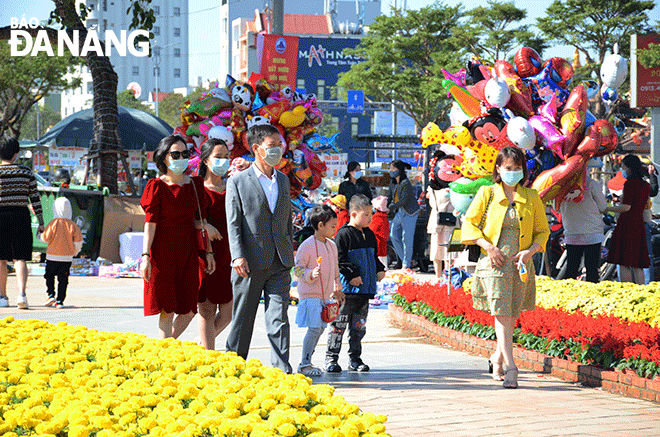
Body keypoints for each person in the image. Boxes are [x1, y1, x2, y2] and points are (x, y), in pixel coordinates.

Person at [461, 146, 549, 389]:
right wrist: (489, 248)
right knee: (502, 313)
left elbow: (543, 231)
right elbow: (469, 225)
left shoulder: (531, 197)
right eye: (508, 168)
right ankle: (512, 366)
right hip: (494, 264)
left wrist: (531, 251)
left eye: (517, 168)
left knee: (511, 314)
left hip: (521, 265)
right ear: (498, 169)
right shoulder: (486, 193)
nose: (513, 172)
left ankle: (496, 358)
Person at [225, 124, 294, 373]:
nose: (278, 149)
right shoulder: (238, 182)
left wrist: (289, 248)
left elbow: (286, 220)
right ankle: (233, 366)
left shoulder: (283, 180)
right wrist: (237, 256)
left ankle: (281, 370)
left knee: (278, 318)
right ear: (256, 148)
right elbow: (233, 223)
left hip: (280, 261)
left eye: (280, 145)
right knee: (243, 319)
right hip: (249, 262)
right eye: (272, 145)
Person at [140, 135, 216, 339]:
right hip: (163, 252)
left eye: (185, 154)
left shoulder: (195, 185)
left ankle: (165, 347)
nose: (181, 158)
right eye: (175, 154)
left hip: (189, 252)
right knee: (167, 309)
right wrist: (145, 257)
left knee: (189, 309)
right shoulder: (156, 186)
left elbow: (200, 219)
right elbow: (150, 223)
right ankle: (164, 355)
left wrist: (208, 251)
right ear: (164, 158)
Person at [326, 194, 386, 373]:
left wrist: (379, 269)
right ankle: (331, 358)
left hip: (364, 292)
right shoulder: (343, 234)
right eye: (366, 214)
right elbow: (339, 259)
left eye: (371, 214)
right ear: (353, 214)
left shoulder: (369, 234)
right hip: (347, 292)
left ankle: (355, 358)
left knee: (358, 328)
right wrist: (352, 274)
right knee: (339, 326)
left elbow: (373, 256)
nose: (370, 218)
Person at [294, 205, 345, 377]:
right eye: (332, 226)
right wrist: (310, 274)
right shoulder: (306, 245)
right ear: (320, 225)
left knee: (319, 329)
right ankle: (305, 364)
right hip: (310, 295)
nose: (335, 229)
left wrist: (337, 287)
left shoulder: (332, 246)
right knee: (315, 329)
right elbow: (297, 269)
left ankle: (307, 362)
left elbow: (335, 268)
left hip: (326, 296)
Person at [196, 138, 233, 350]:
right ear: (205, 160)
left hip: (230, 254)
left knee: (228, 312)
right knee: (207, 309)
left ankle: (200, 345)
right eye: (218, 157)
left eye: (226, 157)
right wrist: (202, 226)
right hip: (206, 254)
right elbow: (187, 218)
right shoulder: (197, 187)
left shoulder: (233, 187)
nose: (223, 161)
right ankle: (208, 356)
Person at [0, 137, 45, 309]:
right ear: (16, 154)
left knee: (1, 259)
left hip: (1, 216)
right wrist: (40, 222)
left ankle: (2, 297)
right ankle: (22, 295)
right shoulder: (26, 172)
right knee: (20, 258)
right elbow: (35, 198)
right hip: (21, 215)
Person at [606, 154, 650, 285]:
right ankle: (642, 290)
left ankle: (627, 290)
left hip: (627, 224)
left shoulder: (630, 184)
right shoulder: (645, 185)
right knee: (637, 263)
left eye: (623, 166)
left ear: (629, 167)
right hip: (639, 223)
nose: (622, 168)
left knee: (624, 261)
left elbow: (626, 207)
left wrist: (607, 209)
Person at [559, 177, 608, 283]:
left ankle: (568, 295)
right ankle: (591, 296)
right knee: (592, 270)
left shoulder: (561, 185)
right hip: (592, 233)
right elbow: (603, 207)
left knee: (571, 269)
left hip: (572, 232)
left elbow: (556, 206)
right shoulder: (591, 184)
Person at [39, 197, 83, 308]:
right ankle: (60, 301)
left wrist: (38, 235)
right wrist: (75, 252)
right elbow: (78, 242)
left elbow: (45, 238)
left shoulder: (53, 223)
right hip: (67, 258)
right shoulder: (73, 225)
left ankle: (51, 294)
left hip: (52, 256)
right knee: (63, 280)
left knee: (49, 276)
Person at [426, 154, 460, 278]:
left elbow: (428, 197)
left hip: (436, 221)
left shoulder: (432, 189)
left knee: (436, 251)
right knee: (451, 252)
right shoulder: (456, 188)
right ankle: (449, 276)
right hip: (454, 220)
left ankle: (438, 277)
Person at [388, 160, 420, 269]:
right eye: (390, 169)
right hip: (400, 211)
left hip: (410, 212)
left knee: (407, 238)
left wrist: (389, 208)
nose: (391, 171)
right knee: (393, 235)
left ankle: (406, 264)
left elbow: (403, 201)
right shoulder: (393, 182)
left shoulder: (405, 183)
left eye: (393, 169)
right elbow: (389, 196)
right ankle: (406, 261)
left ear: (400, 170)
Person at [643, 162, 658, 284]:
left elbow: (652, 191)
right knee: (646, 257)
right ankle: (647, 284)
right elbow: (653, 191)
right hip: (643, 223)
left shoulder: (631, 184)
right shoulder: (643, 184)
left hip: (635, 223)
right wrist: (652, 175)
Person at [369, 196, 390, 268]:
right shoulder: (385, 218)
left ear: (375, 208)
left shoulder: (376, 218)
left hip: (376, 247)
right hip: (383, 248)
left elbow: (371, 230)